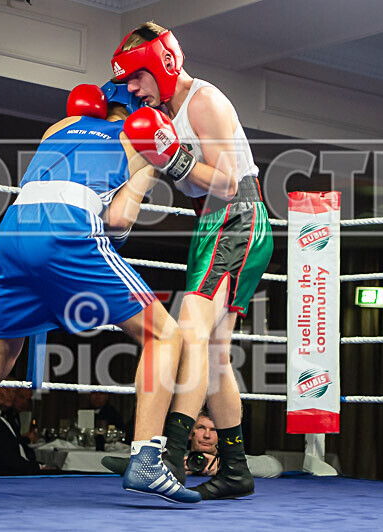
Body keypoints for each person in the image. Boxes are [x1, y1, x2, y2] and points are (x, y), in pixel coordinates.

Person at [0, 83, 200, 503]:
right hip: (66, 231)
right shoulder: (140, 142)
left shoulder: (60, 125)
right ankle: (147, 457)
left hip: (12, 233)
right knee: (166, 334)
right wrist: (146, 174)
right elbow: (118, 223)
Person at [106, 21, 274, 499]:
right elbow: (137, 168)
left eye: (137, 77)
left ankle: (171, 456)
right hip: (212, 225)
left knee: (191, 331)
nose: (134, 89)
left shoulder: (205, 100)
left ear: (162, 64)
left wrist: (171, 156)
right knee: (215, 356)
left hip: (238, 215)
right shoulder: (157, 112)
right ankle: (236, 469)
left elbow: (224, 182)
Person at [185, 410, 282, 479]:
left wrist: (225, 465)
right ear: (190, 433)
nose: (207, 435)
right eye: (201, 428)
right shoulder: (177, 458)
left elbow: (274, 467)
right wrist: (174, 468)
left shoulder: (232, 460)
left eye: (214, 430)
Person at [0, 386, 43, 476]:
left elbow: (12, 444)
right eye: (4, 389)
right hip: (5, 477)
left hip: (18, 470)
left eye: (13, 392)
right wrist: (37, 467)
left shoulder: (7, 416)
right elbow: (4, 457)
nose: (5, 394)